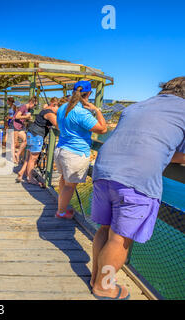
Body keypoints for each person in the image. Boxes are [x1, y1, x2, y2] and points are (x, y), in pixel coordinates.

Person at [89, 76, 185, 300]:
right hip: (137, 176)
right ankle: (104, 287)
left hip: (103, 170)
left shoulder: (137, 106)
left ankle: (96, 279)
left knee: (104, 228)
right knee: (120, 238)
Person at [54, 80, 107, 220]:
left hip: (60, 150)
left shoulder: (63, 108)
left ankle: (61, 205)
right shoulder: (81, 112)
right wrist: (96, 110)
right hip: (75, 153)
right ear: (89, 93)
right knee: (70, 186)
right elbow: (103, 129)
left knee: (63, 179)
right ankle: (61, 212)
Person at [16, 98, 59, 185]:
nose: (59, 111)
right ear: (54, 104)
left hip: (32, 133)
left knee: (29, 156)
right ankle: (30, 178)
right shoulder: (49, 113)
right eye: (59, 108)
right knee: (33, 158)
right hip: (37, 135)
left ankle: (22, 172)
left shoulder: (45, 110)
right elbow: (57, 125)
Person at [13, 97, 38, 163]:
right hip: (15, 125)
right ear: (31, 102)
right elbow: (17, 116)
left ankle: (17, 154)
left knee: (26, 140)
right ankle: (14, 158)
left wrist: (27, 119)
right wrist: (26, 117)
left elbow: (22, 117)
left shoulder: (27, 109)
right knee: (15, 142)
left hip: (20, 126)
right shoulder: (24, 107)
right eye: (34, 105)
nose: (34, 107)